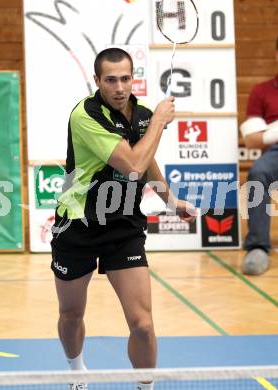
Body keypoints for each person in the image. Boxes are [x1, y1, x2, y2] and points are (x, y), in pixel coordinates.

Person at [50, 47, 196, 390]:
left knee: (143, 324)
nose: (119, 87)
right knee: (71, 315)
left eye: (126, 79)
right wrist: (159, 121)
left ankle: (145, 387)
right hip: (78, 224)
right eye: (111, 80)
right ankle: (77, 371)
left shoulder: (142, 114)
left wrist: (170, 200)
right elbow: (132, 163)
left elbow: (147, 164)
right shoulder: (85, 116)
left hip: (123, 226)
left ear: (134, 79)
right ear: (97, 80)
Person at [240, 37, 278, 275]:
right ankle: (258, 247)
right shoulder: (261, 91)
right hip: (276, 153)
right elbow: (252, 139)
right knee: (258, 172)